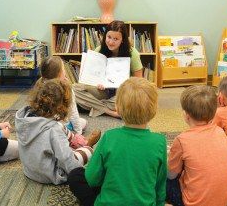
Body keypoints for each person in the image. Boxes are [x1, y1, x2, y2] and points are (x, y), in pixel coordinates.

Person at [68, 77, 167, 206]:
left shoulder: (109, 137)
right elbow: (160, 183)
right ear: (154, 110)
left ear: (117, 109)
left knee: (75, 175)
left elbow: (92, 179)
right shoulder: (160, 141)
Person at [15, 79, 101, 184]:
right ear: (60, 107)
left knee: (59, 127)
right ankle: (87, 144)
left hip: (29, 170)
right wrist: (87, 151)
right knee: (86, 152)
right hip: (51, 174)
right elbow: (68, 162)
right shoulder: (54, 131)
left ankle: (77, 141)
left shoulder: (24, 118)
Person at [167, 85, 227, 206]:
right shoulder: (220, 132)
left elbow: (171, 175)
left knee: (165, 178)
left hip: (192, 203)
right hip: (223, 201)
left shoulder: (182, 140)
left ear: (186, 116)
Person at [74, 20, 143, 118]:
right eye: (109, 37)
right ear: (105, 36)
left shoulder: (132, 53)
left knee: (133, 99)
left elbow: (139, 82)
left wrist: (124, 85)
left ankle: (91, 105)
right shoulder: (99, 50)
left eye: (116, 39)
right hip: (103, 91)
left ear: (122, 39)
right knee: (74, 89)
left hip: (122, 93)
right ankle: (109, 111)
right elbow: (90, 78)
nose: (110, 42)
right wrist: (97, 83)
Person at [39, 56, 87, 134]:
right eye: (63, 69)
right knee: (84, 122)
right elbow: (73, 112)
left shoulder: (40, 85)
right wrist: (79, 133)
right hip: (60, 128)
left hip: (42, 127)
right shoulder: (66, 89)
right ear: (60, 73)